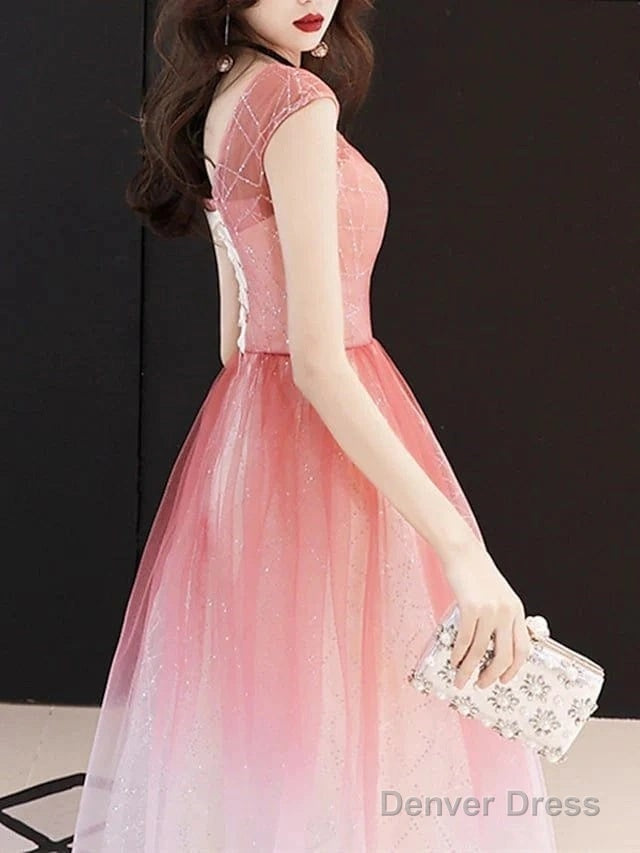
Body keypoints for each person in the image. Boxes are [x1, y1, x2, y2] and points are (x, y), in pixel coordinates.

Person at [71, 1, 557, 851]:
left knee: (289, 704)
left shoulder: (222, 93)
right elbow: (320, 363)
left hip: (249, 434)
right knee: (365, 702)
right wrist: (463, 550)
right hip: (330, 425)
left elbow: (235, 339)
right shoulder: (298, 102)